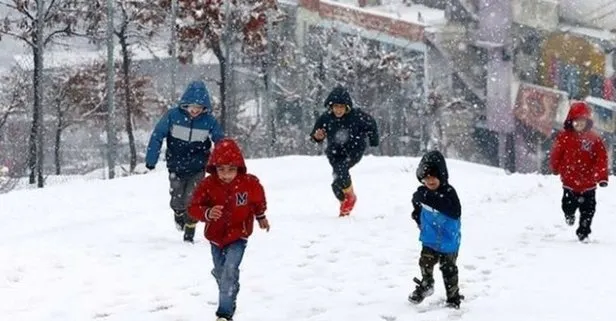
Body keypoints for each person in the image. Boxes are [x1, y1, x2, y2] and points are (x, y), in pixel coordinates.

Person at [187, 138, 270, 321]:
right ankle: (230, 288)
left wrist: (261, 216)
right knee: (221, 272)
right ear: (214, 168)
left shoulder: (249, 183)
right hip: (215, 237)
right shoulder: (207, 185)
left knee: (229, 270)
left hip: (238, 235)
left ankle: (224, 314)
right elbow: (193, 207)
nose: (226, 175)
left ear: (239, 167)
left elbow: (258, 200)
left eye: (231, 169)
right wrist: (207, 213)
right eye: (221, 170)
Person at [145, 80, 224, 243]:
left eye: (199, 107)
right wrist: (151, 159)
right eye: (192, 106)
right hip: (176, 165)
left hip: (198, 166)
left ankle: (190, 228)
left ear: (205, 108)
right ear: (185, 104)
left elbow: (220, 141)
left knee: (193, 199)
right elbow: (157, 135)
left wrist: (223, 161)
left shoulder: (209, 121)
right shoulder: (173, 116)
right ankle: (178, 213)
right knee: (177, 198)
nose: (195, 110)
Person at [310, 85, 379, 216]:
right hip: (334, 153)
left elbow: (372, 124)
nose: (338, 110)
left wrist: (373, 140)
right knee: (337, 183)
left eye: (341, 107)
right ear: (331, 107)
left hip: (353, 151)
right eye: (336, 107)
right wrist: (317, 136)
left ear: (347, 107)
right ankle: (346, 199)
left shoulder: (357, 116)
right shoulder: (326, 118)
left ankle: (350, 199)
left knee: (342, 170)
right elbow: (315, 134)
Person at [409, 150, 463, 309]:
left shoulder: (448, 193)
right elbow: (417, 207)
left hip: (448, 240)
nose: (430, 180)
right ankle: (426, 285)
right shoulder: (421, 193)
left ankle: (453, 297)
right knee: (425, 262)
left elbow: (454, 211)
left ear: (442, 176)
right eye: (426, 177)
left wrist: (430, 198)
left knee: (449, 270)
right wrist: (418, 218)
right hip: (430, 238)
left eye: (433, 176)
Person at [549, 101, 608, 242]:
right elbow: (556, 154)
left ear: (587, 122)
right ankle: (569, 215)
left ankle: (584, 232)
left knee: (588, 211)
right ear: (571, 121)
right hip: (570, 181)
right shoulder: (564, 137)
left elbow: (601, 159)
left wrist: (602, 177)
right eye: (576, 121)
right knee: (568, 205)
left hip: (589, 183)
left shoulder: (594, 139)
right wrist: (555, 167)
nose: (579, 124)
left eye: (582, 121)